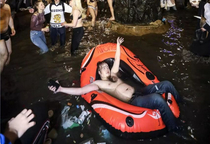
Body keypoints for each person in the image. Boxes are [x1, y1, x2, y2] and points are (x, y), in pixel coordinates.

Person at [48, 37, 181, 132]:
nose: (107, 68)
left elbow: (117, 59)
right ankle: (174, 128)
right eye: (104, 67)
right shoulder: (98, 83)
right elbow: (80, 91)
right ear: (99, 72)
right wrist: (60, 89)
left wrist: (117, 45)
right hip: (134, 101)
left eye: (107, 66)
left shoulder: (113, 74)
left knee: (167, 84)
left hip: (141, 91)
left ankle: (181, 102)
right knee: (158, 100)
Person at [0, 0, 16, 73]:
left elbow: (9, 18)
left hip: (6, 33)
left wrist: (12, 27)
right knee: (4, 55)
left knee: (9, 52)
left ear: (5, 0)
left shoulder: (7, 7)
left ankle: (5, 71)